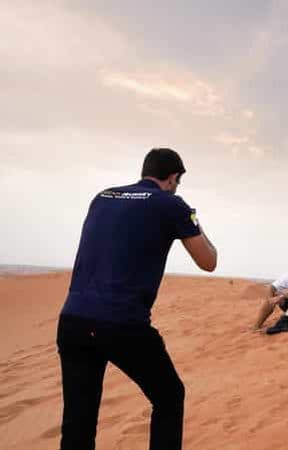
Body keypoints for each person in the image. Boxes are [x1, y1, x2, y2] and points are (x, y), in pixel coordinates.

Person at [57, 148, 217, 450]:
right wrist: (192, 219)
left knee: (79, 420)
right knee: (169, 396)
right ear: (173, 178)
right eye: (178, 182)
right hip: (121, 323)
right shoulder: (172, 204)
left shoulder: (102, 197)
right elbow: (209, 262)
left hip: (73, 320)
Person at [250, 250, 288, 332]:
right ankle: (256, 326)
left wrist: (282, 296)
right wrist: (270, 300)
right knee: (274, 297)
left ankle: (287, 323)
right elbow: (272, 287)